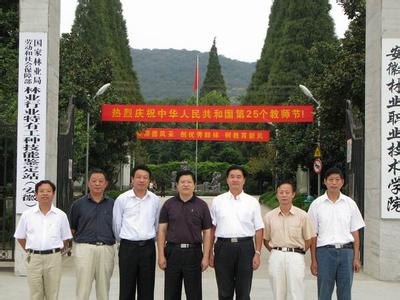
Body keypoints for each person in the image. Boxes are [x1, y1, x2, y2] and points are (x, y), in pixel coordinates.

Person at [308, 167, 365, 300]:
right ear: (325, 182)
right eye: (331, 180)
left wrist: (356, 257)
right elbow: (313, 235)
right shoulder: (316, 205)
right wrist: (313, 260)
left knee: (345, 294)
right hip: (324, 253)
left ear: (342, 182)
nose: (334, 183)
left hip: (346, 253)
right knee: (324, 293)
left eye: (337, 180)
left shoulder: (350, 204)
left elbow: (355, 232)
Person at [209, 165, 264, 300]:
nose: (235, 180)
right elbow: (212, 228)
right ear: (227, 180)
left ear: (244, 180)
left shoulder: (252, 202)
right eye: (232, 177)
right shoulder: (217, 201)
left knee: (244, 292)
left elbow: (259, 229)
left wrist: (257, 253)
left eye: (238, 177)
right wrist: (209, 251)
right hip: (223, 247)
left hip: (245, 248)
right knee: (224, 292)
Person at [157, 170, 212, 300]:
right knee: (171, 294)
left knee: (194, 294)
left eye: (189, 182)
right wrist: (160, 255)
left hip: (194, 253)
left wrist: (205, 257)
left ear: (194, 185)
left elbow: (207, 232)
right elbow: (162, 231)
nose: (185, 184)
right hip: (172, 253)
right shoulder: (168, 205)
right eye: (182, 182)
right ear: (177, 184)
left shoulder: (202, 205)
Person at [14, 180, 72, 300]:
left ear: (53, 194)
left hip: (54, 258)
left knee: (53, 293)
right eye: (41, 191)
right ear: (36, 194)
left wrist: (55, 251)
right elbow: (20, 237)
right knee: (35, 293)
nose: (45, 194)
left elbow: (66, 238)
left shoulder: (61, 215)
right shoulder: (27, 215)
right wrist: (30, 250)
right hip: (34, 258)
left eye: (48, 191)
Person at [113, 164, 161, 300]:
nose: (142, 180)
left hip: (148, 248)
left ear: (149, 181)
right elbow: (117, 224)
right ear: (132, 179)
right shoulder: (122, 199)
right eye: (138, 177)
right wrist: (123, 240)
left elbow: (156, 223)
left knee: (147, 289)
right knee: (126, 288)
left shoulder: (155, 200)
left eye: (145, 178)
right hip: (128, 248)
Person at [263, 181, 315, 300]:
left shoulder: (302, 215)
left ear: (293, 194)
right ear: (277, 195)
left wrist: (298, 251)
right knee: (278, 292)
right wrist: (276, 251)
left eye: (287, 192)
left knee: (297, 291)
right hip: (276, 255)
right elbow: (265, 239)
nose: (284, 195)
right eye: (281, 192)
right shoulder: (269, 216)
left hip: (296, 256)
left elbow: (309, 239)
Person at [69, 169, 115, 300]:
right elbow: (72, 228)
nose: (97, 184)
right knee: (83, 289)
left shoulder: (113, 204)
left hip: (106, 249)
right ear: (88, 183)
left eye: (101, 181)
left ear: (106, 184)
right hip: (84, 249)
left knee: (103, 289)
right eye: (94, 181)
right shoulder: (78, 204)